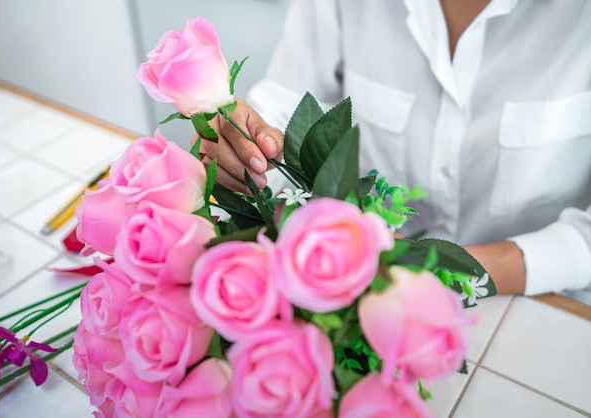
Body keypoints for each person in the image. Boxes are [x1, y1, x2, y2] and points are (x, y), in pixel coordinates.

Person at [199, 0, 591, 296]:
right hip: (363, 288)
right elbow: (288, 106)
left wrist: (443, 272)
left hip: (542, 306)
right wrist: (249, 145)